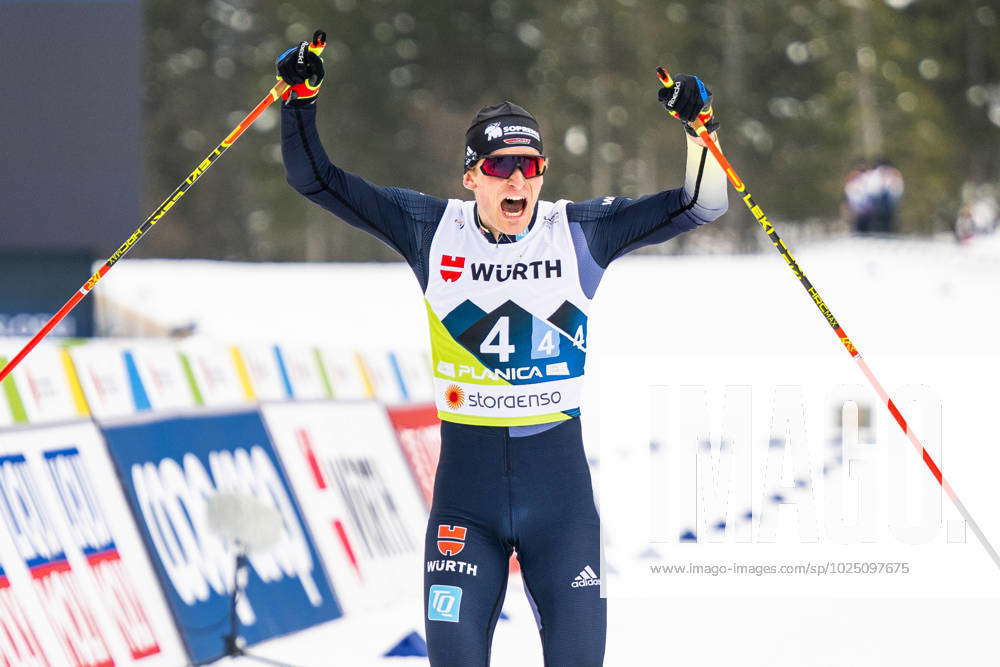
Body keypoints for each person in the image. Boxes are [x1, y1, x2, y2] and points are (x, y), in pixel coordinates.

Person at [277, 37, 728, 666]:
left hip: (561, 505)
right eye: (498, 167)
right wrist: (300, 101)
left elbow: (701, 204)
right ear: (470, 177)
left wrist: (697, 131)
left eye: (531, 166)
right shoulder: (432, 230)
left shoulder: (579, 231)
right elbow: (315, 180)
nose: (517, 179)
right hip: (467, 501)